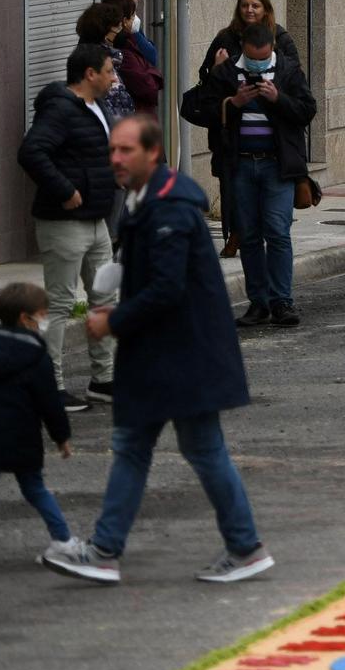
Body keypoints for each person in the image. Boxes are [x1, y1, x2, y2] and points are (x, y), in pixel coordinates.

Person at [43, 116, 272, 585]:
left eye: (126, 151)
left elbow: (168, 289)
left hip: (182, 357)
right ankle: (111, 549)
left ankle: (239, 547)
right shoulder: (144, 200)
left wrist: (113, 321)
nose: (116, 159)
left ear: (153, 153)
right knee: (146, 447)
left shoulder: (170, 209)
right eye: (113, 151)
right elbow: (151, 272)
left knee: (192, 451)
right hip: (165, 356)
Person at [17, 44, 119, 406]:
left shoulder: (97, 107)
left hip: (97, 221)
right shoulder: (61, 108)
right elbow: (31, 152)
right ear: (90, 74)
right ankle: (51, 386)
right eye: (109, 71)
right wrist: (64, 190)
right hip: (64, 223)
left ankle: (103, 380)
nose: (114, 78)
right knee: (59, 305)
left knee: (105, 299)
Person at [200, 23, 319, 328]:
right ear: (244, 51)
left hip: (276, 166)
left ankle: (282, 301)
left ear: (272, 51)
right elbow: (202, 108)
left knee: (277, 231)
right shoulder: (226, 72)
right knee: (250, 235)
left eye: (263, 61)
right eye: (252, 61)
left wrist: (278, 97)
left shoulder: (288, 71)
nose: (257, 67)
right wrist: (233, 103)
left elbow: (307, 110)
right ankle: (258, 302)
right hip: (240, 165)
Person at [0, 282, 76, 567]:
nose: (43, 322)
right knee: (35, 488)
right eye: (42, 315)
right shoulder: (37, 358)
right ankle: (63, 542)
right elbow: (50, 404)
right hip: (21, 438)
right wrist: (62, 438)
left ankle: (63, 541)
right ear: (25, 318)